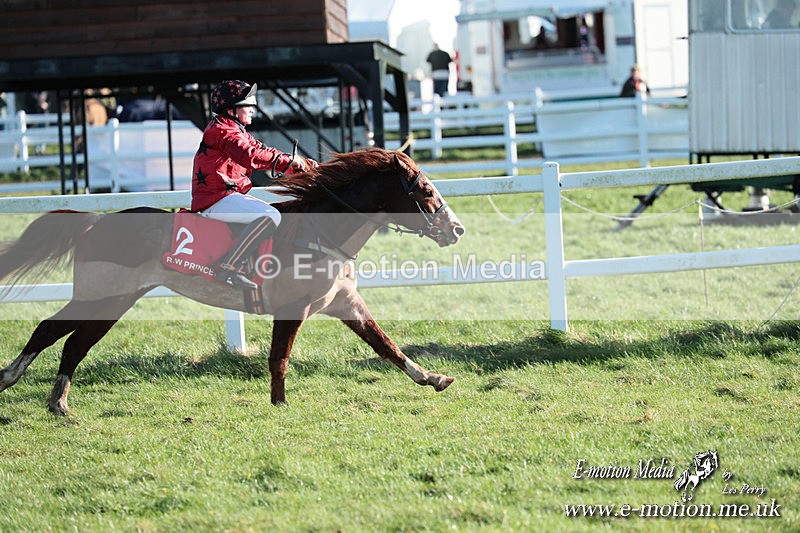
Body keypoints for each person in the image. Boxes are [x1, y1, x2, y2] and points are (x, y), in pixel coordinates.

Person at [191, 80, 317, 289]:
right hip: (216, 201)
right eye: (247, 105)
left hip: (224, 197)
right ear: (231, 109)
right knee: (270, 216)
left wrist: (300, 166)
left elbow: (263, 150)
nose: (252, 110)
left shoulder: (234, 129)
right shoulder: (223, 130)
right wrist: (290, 161)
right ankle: (228, 269)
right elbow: (250, 156)